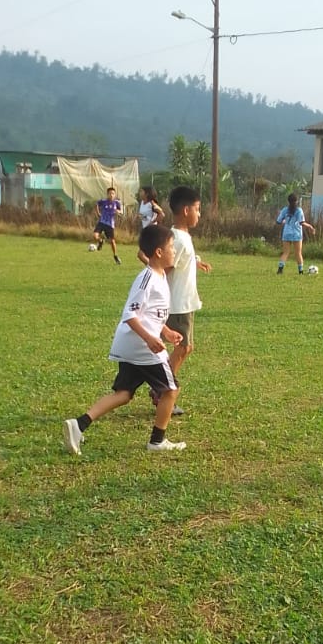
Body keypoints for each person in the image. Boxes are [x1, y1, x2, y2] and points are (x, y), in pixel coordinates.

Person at [64, 224, 186, 456]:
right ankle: (157, 441)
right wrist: (150, 339)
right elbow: (130, 314)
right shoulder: (147, 279)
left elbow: (149, 313)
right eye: (171, 247)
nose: (174, 251)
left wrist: (166, 331)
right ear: (159, 252)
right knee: (171, 389)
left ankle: (78, 425)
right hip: (142, 346)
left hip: (133, 345)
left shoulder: (159, 276)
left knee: (124, 394)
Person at [158, 185, 211, 418]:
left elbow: (179, 260)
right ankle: (162, 390)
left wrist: (195, 262)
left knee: (184, 348)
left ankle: (161, 387)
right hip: (178, 304)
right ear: (186, 210)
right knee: (183, 347)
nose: (199, 214)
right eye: (198, 209)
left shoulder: (181, 236)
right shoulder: (178, 238)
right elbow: (165, 267)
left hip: (184, 302)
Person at [275, 192, 315, 274]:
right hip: (296, 234)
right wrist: (310, 226)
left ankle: (280, 270)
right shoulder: (299, 210)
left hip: (286, 233)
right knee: (298, 253)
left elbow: (278, 221)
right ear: (296, 201)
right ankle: (300, 271)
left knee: (286, 252)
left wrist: (285, 221)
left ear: (288, 201)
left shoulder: (284, 210)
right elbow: (302, 222)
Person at [89, 186, 123, 264]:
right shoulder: (103, 201)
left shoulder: (116, 203)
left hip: (110, 225)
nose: (111, 195)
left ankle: (115, 256)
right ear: (107, 194)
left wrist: (118, 212)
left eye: (113, 193)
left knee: (112, 241)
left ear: (115, 194)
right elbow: (97, 204)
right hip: (102, 222)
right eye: (110, 193)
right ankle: (101, 241)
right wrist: (98, 213)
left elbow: (121, 211)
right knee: (95, 236)